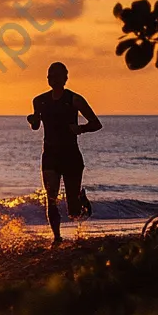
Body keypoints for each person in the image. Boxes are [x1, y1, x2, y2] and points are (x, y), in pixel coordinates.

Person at [27, 62, 101, 245]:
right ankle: (57, 237)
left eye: (58, 75)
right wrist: (33, 120)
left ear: (65, 78)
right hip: (50, 154)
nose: (53, 79)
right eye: (50, 75)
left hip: (71, 155)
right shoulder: (39, 101)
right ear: (47, 79)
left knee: (73, 212)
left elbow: (96, 123)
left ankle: (81, 200)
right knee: (50, 197)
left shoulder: (74, 99)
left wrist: (81, 128)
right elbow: (36, 126)